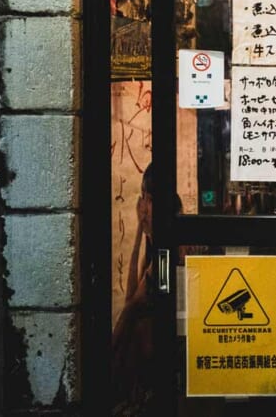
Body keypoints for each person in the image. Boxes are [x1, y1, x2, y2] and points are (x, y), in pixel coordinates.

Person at [111, 163, 182, 416]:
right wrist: (140, 233)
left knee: (135, 325)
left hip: (167, 340)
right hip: (151, 342)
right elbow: (131, 295)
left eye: (150, 200)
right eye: (142, 198)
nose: (143, 207)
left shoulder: (169, 248)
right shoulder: (155, 244)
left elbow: (134, 303)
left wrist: (111, 347)